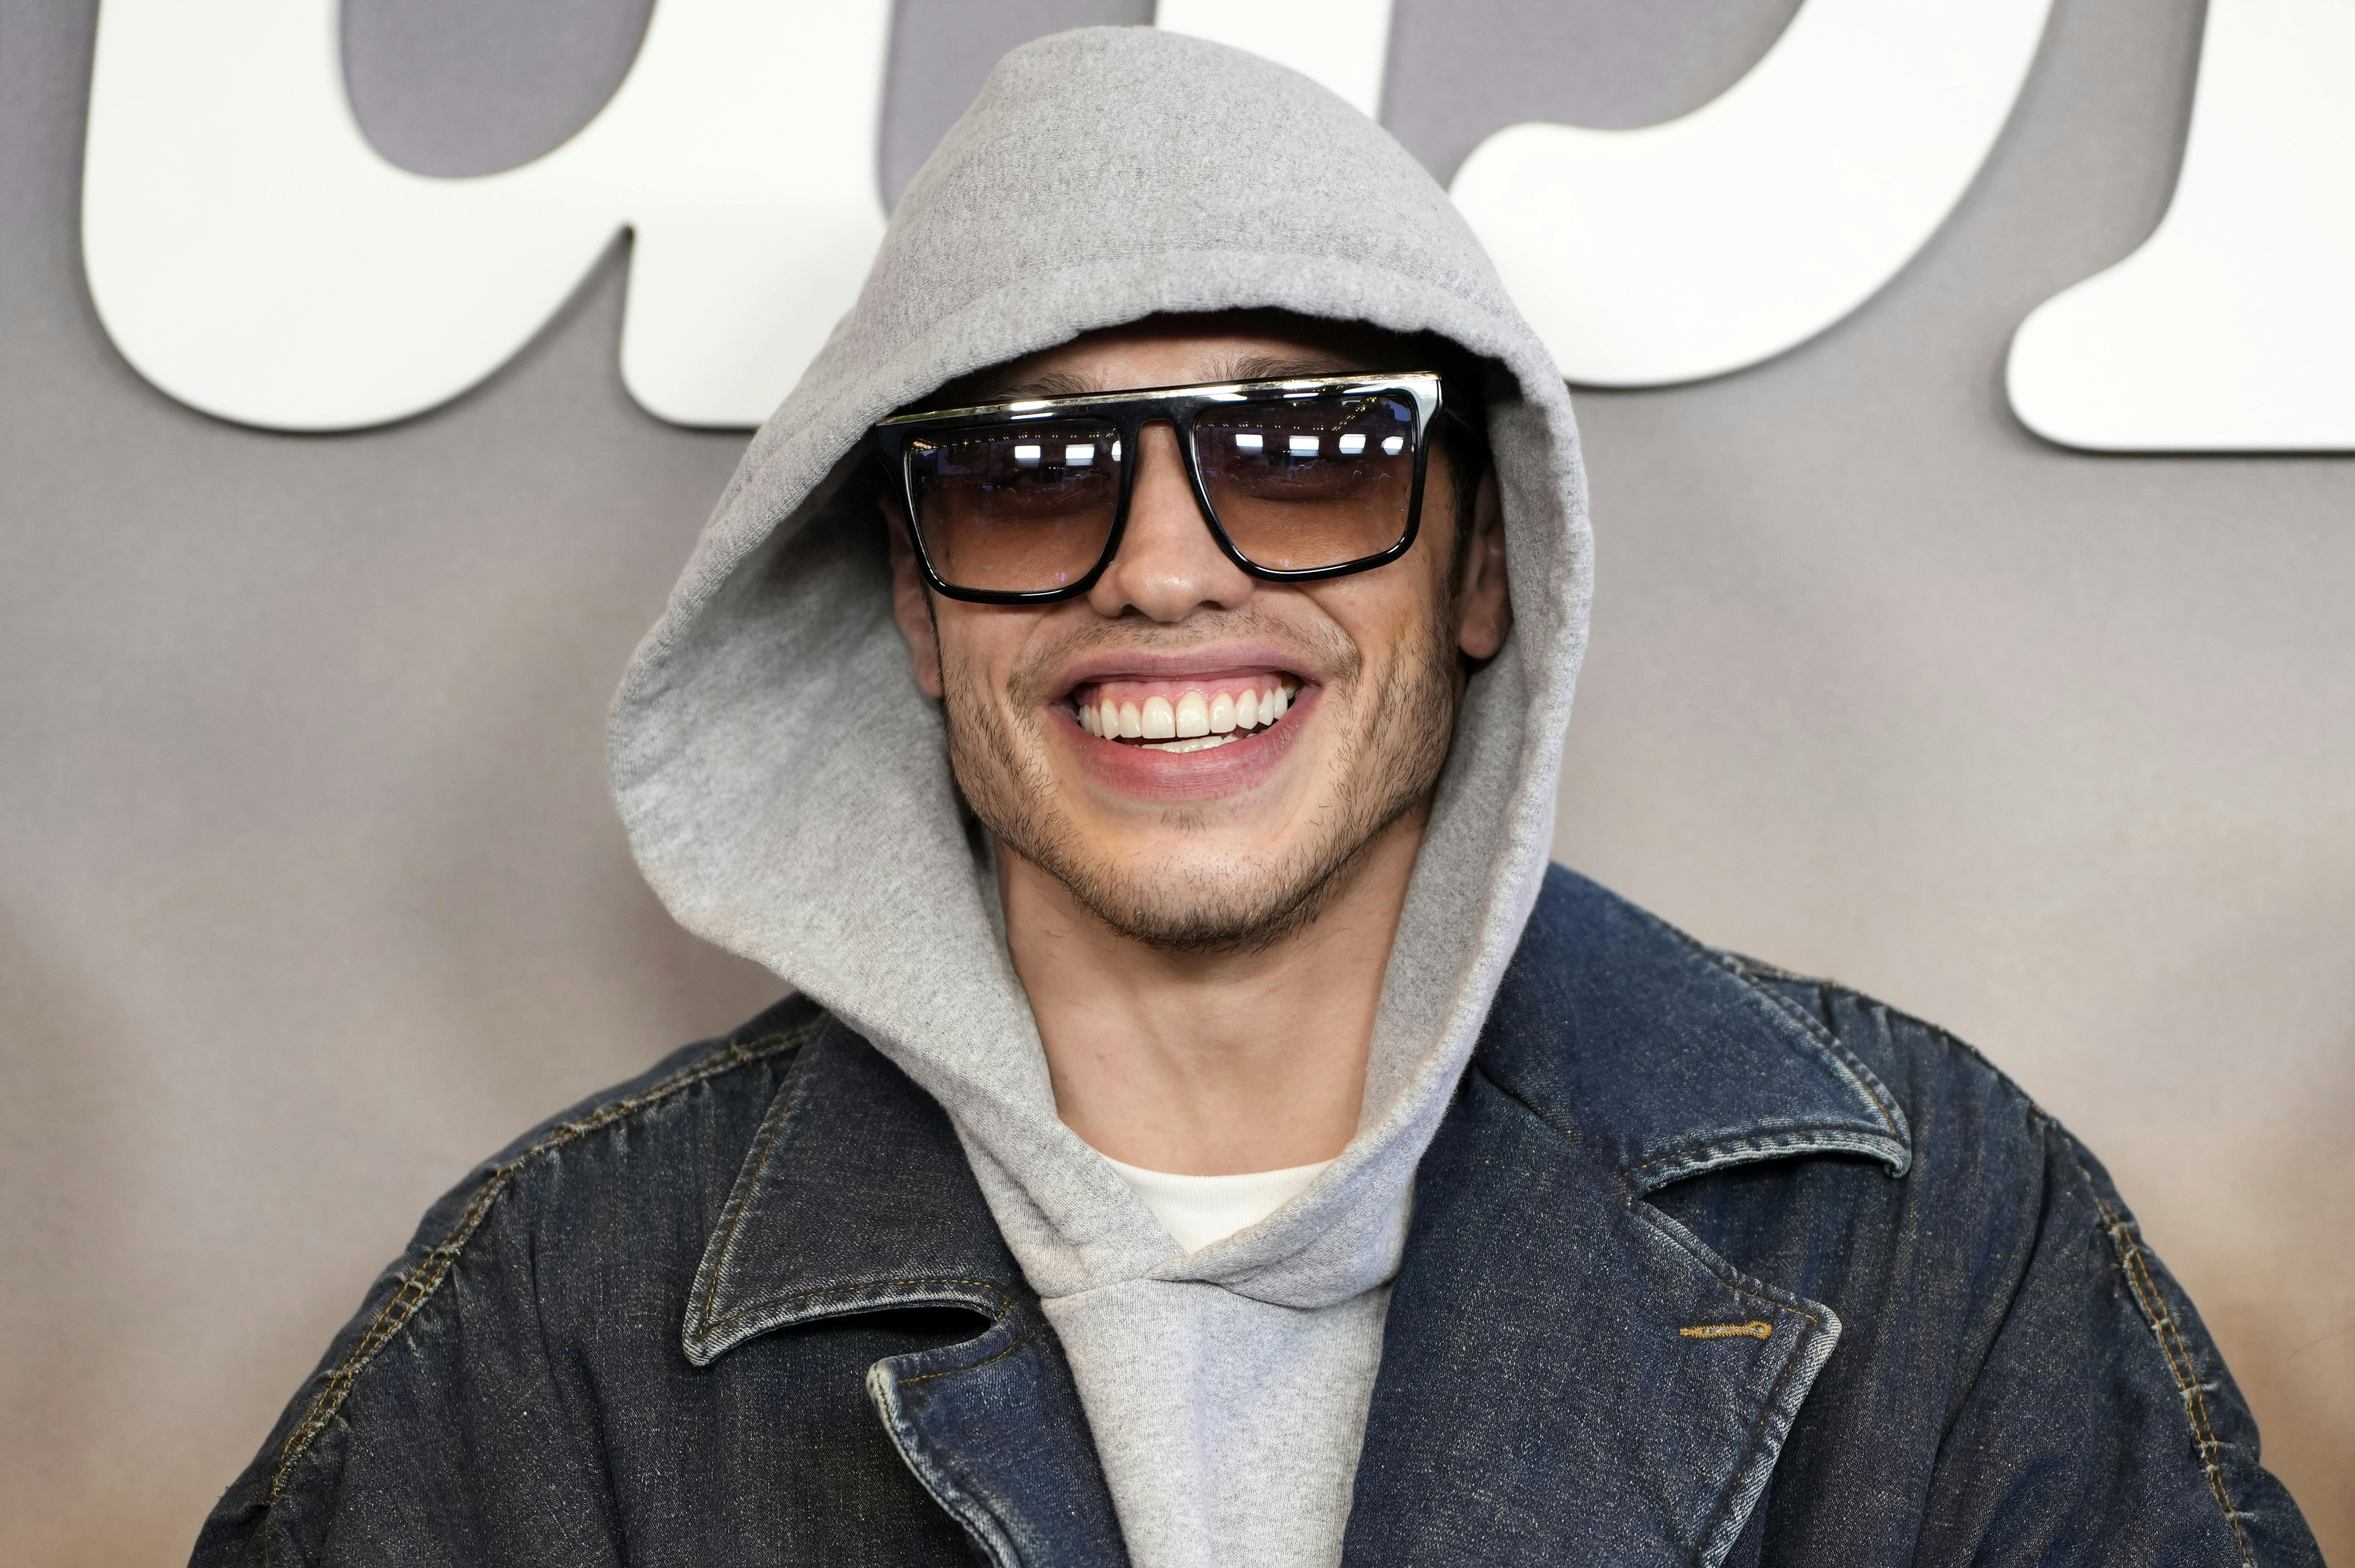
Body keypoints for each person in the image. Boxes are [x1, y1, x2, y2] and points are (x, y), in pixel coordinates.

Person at [194, 27, 2320, 1568]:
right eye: (1028, 479)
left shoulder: (1938, 1242)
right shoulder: (563, 1320)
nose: (1165, 563)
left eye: (1311, 454)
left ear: (1489, 564)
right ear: (914, 608)